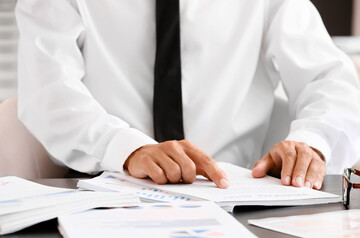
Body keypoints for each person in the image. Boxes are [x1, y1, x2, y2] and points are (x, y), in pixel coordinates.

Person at [16, 0, 360, 190]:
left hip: (235, 193)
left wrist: (312, 142)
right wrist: (127, 149)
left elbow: (329, 79)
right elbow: (46, 90)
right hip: (105, 190)